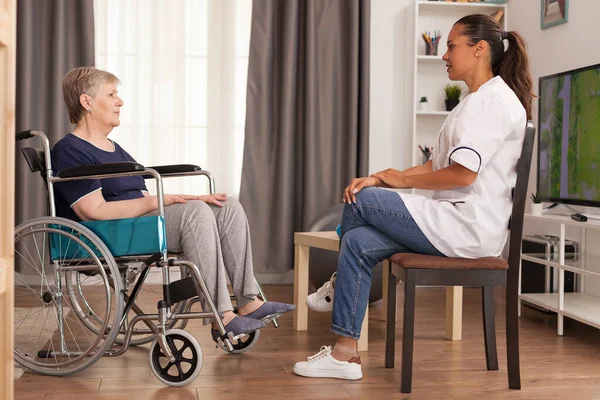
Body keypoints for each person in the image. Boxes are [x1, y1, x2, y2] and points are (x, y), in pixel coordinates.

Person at [294, 14, 533, 380]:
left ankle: (339, 284)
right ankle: (344, 355)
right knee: (357, 238)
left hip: (466, 228)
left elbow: (463, 173)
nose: (445, 55)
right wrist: (383, 176)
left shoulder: (493, 103)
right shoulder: (478, 101)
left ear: (479, 48)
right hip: (452, 220)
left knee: (360, 199)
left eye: (452, 45)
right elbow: (436, 164)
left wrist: (399, 181)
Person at [52, 67, 295, 342]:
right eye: (112, 94)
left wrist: (190, 198)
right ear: (86, 102)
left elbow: (142, 199)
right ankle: (222, 317)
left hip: (135, 224)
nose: (120, 101)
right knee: (195, 212)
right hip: (109, 233)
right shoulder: (70, 150)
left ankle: (249, 300)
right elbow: (93, 210)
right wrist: (165, 201)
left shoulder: (113, 148)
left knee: (226, 207)